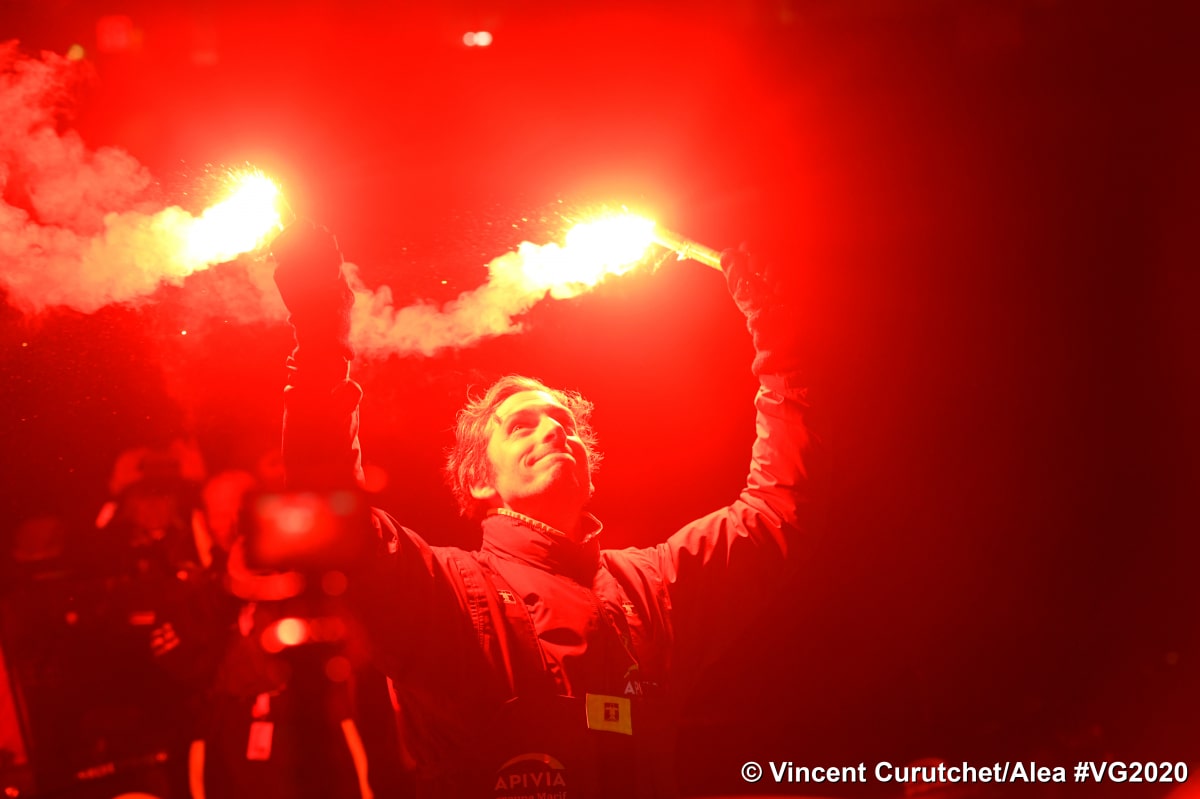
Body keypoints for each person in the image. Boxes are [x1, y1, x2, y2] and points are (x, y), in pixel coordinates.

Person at [268, 221, 824, 798]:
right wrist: (319, 342)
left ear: (589, 472)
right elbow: (327, 513)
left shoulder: (654, 585)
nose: (555, 432)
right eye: (522, 427)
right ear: (480, 483)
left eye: (564, 423)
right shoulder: (450, 593)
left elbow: (781, 510)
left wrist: (781, 337)